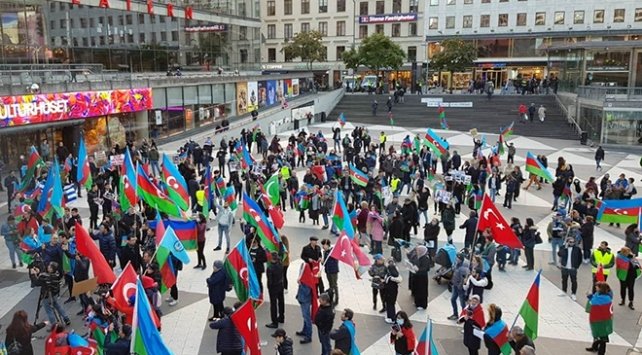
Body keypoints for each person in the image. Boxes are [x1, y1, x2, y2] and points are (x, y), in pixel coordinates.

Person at [30, 261, 71, 326]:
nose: (48, 267)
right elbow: (44, 276)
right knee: (57, 306)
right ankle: (66, 318)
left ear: (52, 269)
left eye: (49, 267)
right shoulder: (56, 274)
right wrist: (39, 272)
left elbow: (37, 282)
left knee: (49, 310)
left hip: (47, 295)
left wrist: (33, 274)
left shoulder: (46, 277)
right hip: (54, 294)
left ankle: (54, 325)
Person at [586, 282, 613, 355]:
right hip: (601, 320)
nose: (595, 288)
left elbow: (593, 303)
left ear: (601, 288)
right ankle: (594, 347)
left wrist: (590, 297)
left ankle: (601, 352)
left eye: (597, 287)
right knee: (598, 335)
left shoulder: (605, 298)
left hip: (602, 321)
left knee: (602, 337)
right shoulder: (602, 296)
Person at [558, 236, 582, 301]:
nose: (572, 243)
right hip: (564, 267)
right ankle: (564, 291)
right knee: (564, 280)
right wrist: (565, 248)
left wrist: (576, 266)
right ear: (567, 242)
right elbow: (560, 254)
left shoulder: (577, 249)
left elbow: (580, 258)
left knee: (574, 281)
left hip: (573, 268)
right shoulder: (563, 247)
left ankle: (573, 293)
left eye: (573, 242)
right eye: (570, 242)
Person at [266, 251, 285, 328]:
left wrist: (269, 287)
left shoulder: (270, 268)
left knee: (273, 304)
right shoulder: (280, 264)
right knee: (281, 301)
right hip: (280, 284)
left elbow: (270, 280)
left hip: (273, 287)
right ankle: (281, 317)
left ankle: (274, 322)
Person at [448, 253, 470, 320]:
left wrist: (460, 286)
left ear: (461, 259)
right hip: (455, 285)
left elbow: (463, 279)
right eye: (456, 258)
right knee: (453, 299)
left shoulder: (463, 268)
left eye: (458, 258)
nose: (457, 259)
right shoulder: (456, 264)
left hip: (459, 288)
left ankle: (465, 316)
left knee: (462, 303)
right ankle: (455, 314)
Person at [408, 245, 431, 309]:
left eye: (418, 250)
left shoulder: (425, 258)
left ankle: (422, 304)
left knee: (422, 291)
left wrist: (418, 269)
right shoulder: (418, 256)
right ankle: (417, 302)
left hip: (422, 277)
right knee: (417, 289)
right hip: (417, 276)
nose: (417, 252)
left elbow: (426, 268)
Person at [321, 239, 339, 305]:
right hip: (328, 270)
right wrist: (322, 262)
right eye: (322, 245)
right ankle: (331, 298)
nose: (323, 246)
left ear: (327, 244)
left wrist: (326, 261)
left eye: (324, 245)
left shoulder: (332, 251)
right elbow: (325, 262)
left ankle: (336, 300)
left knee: (334, 285)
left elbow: (334, 261)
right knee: (330, 285)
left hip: (333, 271)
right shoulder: (325, 252)